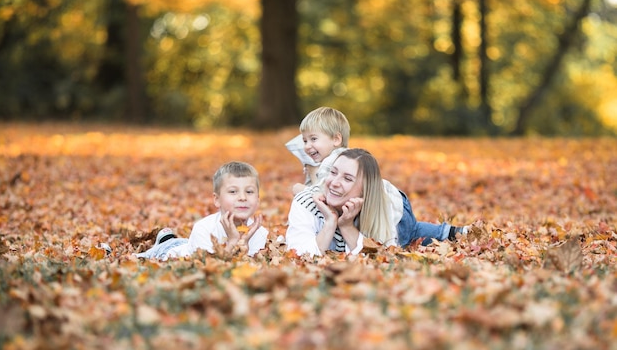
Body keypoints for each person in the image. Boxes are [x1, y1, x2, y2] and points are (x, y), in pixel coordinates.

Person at [286, 107, 467, 248]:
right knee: (414, 231)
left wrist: (299, 189)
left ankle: (450, 233)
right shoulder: (336, 161)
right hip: (395, 203)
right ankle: (453, 232)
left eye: (313, 139)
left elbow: (321, 194)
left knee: (405, 237)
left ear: (336, 139)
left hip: (389, 208)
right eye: (304, 141)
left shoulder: (336, 160)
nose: (307, 146)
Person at [135, 161, 268, 260]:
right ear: (217, 200)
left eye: (249, 192)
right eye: (233, 191)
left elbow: (246, 266)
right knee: (140, 258)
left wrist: (243, 243)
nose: (243, 197)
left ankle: (167, 239)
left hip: (192, 243)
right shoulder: (203, 228)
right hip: (170, 252)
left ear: (258, 199)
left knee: (185, 242)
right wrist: (233, 241)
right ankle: (166, 241)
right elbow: (210, 267)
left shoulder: (260, 233)